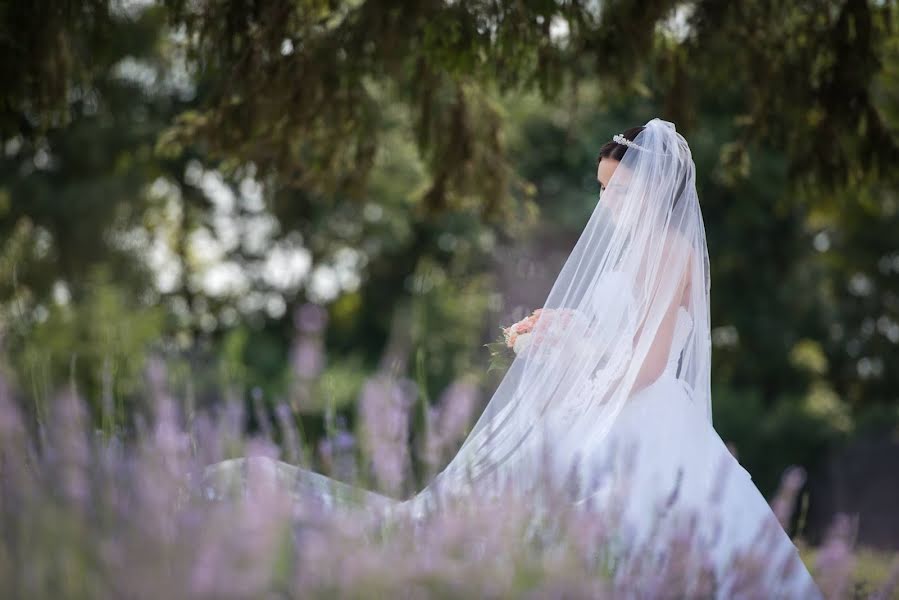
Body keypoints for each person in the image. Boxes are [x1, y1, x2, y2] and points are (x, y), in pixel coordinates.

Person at [205, 118, 824, 598]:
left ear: (654, 187)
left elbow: (652, 364)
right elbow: (618, 335)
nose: (607, 203)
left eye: (619, 189)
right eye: (603, 189)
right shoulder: (629, 253)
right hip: (611, 398)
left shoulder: (669, 251)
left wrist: (582, 368)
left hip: (647, 416)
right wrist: (565, 329)